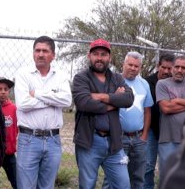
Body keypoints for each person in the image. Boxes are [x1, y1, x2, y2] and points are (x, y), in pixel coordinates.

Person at [72, 38, 134, 189]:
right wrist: (114, 100)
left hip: (114, 142)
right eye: (96, 54)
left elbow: (128, 99)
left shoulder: (117, 78)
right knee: (87, 185)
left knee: (123, 185)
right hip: (90, 141)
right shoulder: (81, 78)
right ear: (89, 56)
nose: (99, 58)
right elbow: (84, 103)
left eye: (103, 54)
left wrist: (101, 97)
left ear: (109, 58)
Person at [14, 36, 72, 189]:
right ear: (33, 53)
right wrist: (53, 98)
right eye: (37, 50)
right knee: (26, 186)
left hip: (53, 139)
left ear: (53, 55)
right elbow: (23, 104)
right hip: (28, 139)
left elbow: (66, 101)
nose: (40, 54)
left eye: (45, 51)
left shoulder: (60, 76)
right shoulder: (23, 74)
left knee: (47, 186)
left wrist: (38, 94)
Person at [103, 51, 153, 189]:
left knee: (138, 176)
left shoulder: (144, 84)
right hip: (118, 138)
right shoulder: (113, 81)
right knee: (112, 177)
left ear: (140, 68)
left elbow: (147, 110)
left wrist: (144, 135)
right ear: (123, 64)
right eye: (130, 64)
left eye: (136, 66)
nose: (132, 68)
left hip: (138, 139)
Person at [143, 53, 175, 189]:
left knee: (168, 166)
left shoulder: (177, 83)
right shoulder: (147, 82)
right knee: (148, 164)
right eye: (164, 67)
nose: (167, 71)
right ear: (158, 66)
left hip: (170, 131)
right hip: (151, 129)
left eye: (170, 68)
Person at [156, 55, 185, 186]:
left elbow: (171, 105)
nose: (180, 70)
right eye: (177, 66)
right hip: (167, 139)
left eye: (184, 68)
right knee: (166, 177)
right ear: (172, 68)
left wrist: (178, 101)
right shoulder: (162, 84)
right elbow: (166, 108)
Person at [0, 76, 17, 189]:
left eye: (6, 89)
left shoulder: (14, 108)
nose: (3, 92)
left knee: (17, 181)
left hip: (9, 152)